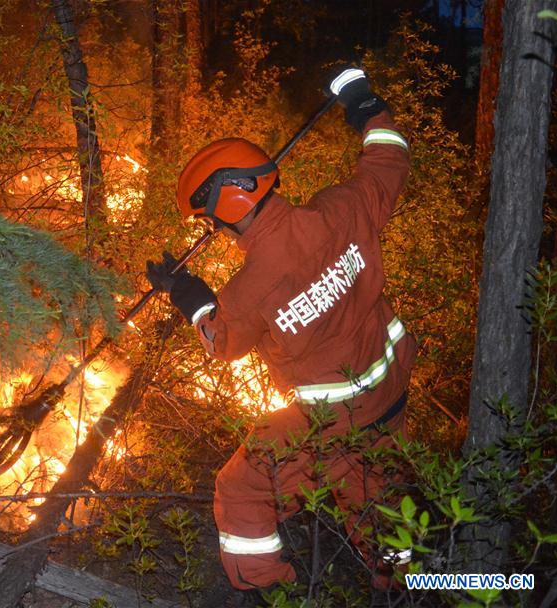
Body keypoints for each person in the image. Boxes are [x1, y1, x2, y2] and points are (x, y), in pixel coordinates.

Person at [146, 68, 416, 590]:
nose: (212, 230)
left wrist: (190, 297)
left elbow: (221, 342)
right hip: (391, 395)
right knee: (382, 512)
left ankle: (270, 591)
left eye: (209, 220)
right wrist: (364, 105)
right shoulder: (344, 209)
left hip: (326, 429)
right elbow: (390, 159)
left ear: (226, 205)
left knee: (241, 490)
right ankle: (408, 587)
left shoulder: (251, 288)